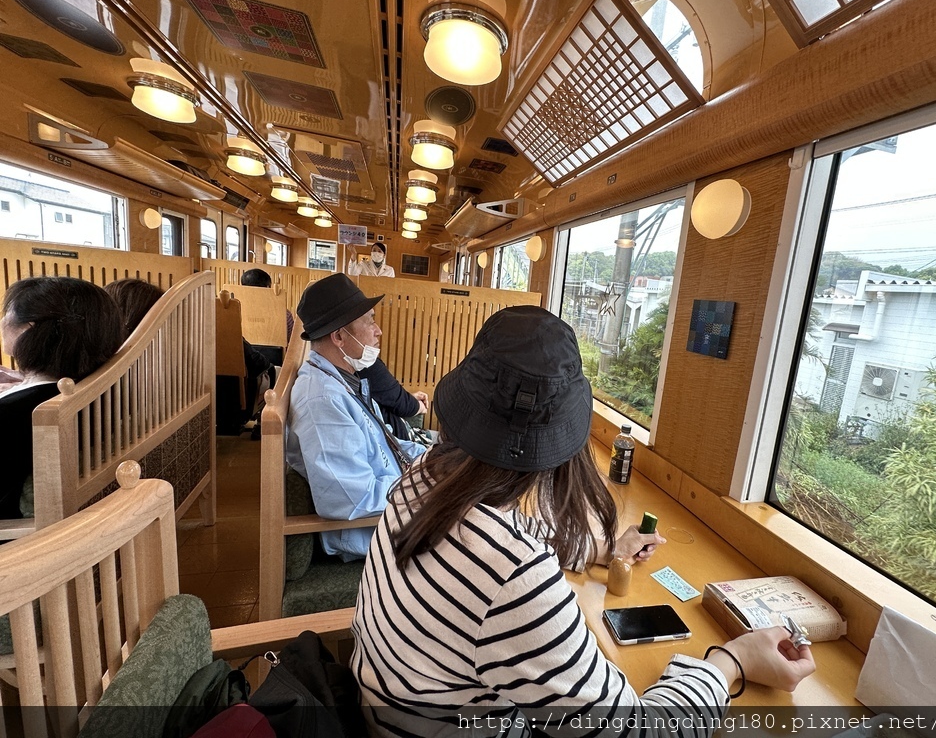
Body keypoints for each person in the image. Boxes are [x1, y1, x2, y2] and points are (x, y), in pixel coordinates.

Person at [351, 307, 815, 736]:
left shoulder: (427, 475)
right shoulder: (514, 579)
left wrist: (597, 549)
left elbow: (496, 541)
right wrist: (732, 661)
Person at [286, 273, 426, 560]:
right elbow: (351, 498)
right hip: (371, 530)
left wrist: (433, 460)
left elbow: (385, 444)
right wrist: (424, 488)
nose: (378, 331)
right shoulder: (322, 400)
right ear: (339, 336)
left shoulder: (342, 378)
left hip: (395, 500)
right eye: (370, 321)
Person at [0, 277, 124, 519]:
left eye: (9, 313)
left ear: (29, 330)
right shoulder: (99, 392)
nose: (3, 320)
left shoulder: (19, 412)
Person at [359, 358, 429, 441]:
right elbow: (404, 405)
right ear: (340, 344)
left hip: (390, 437)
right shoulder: (365, 364)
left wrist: (408, 398)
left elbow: (390, 396)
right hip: (395, 442)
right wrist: (420, 406)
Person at [240, 267, 294, 341]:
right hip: (275, 352)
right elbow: (292, 342)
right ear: (268, 288)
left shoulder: (234, 311)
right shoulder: (284, 314)